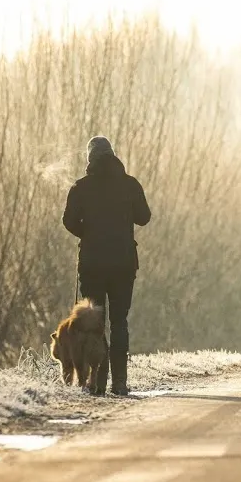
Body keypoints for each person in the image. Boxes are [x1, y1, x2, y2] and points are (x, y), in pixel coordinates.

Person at [62, 136, 151, 395]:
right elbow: (144, 217)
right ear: (113, 155)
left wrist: (88, 234)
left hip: (92, 264)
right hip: (123, 263)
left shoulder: (81, 187)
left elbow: (68, 221)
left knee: (93, 323)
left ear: (90, 159)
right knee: (119, 321)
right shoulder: (130, 185)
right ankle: (120, 382)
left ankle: (97, 384)